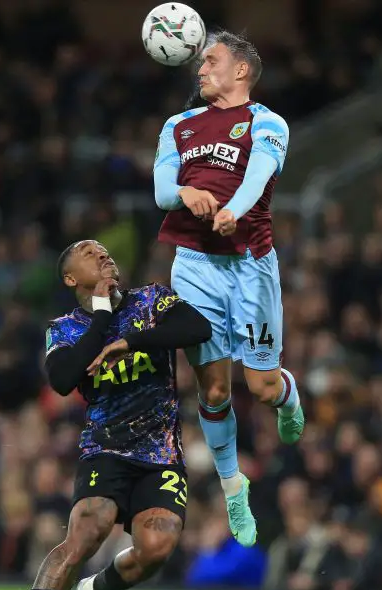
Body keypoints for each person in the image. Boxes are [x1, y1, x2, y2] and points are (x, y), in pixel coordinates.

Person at [1, 240, 212, 590]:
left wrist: (130, 341)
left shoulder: (151, 300)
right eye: (88, 252)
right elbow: (62, 379)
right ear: (70, 278)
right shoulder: (65, 328)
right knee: (85, 533)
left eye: (105, 250)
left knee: (157, 548)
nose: (103, 254)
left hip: (161, 455)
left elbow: (197, 328)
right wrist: (101, 316)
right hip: (105, 451)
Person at [152, 30, 304, 548]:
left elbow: (260, 173)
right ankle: (232, 486)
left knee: (259, 388)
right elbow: (160, 191)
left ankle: (287, 395)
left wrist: (233, 209)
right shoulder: (178, 125)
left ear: (241, 70)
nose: (200, 70)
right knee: (213, 389)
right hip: (194, 266)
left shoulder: (267, 122)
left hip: (251, 265)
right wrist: (186, 191)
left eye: (210, 61)